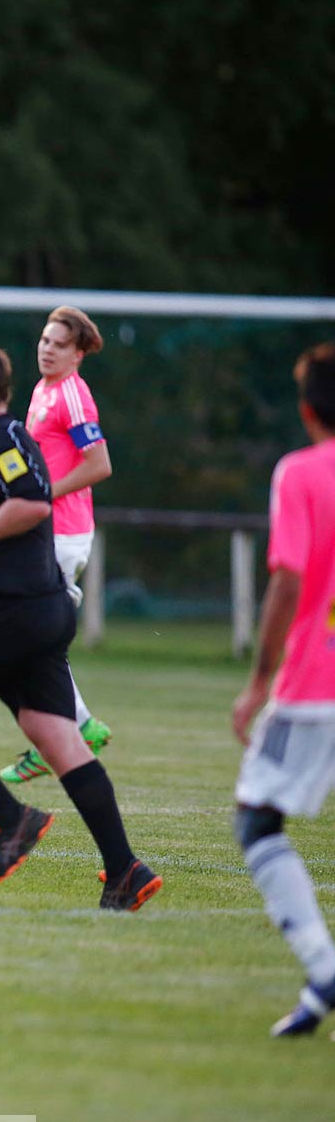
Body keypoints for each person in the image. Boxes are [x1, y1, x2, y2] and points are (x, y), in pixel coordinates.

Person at [0, 337, 162, 909]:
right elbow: (8, 508)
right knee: (58, 737)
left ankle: (13, 819)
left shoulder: (0, 438)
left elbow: (33, 502)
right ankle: (125, 871)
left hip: (8, 614)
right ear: (4, 388)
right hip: (33, 613)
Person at [230, 342, 335, 1037]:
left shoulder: (300, 473)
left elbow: (289, 576)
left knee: (258, 819)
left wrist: (259, 679)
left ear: (306, 410)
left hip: (316, 681)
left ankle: (324, 968)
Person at [1, 306, 116, 784]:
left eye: (58, 344)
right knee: (30, 635)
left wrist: (45, 491)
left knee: (29, 634)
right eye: (44, 340)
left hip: (64, 533)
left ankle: (69, 732)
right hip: (44, 531)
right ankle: (68, 730)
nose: (46, 348)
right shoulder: (42, 390)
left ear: (78, 353)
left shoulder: (73, 395)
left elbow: (99, 465)